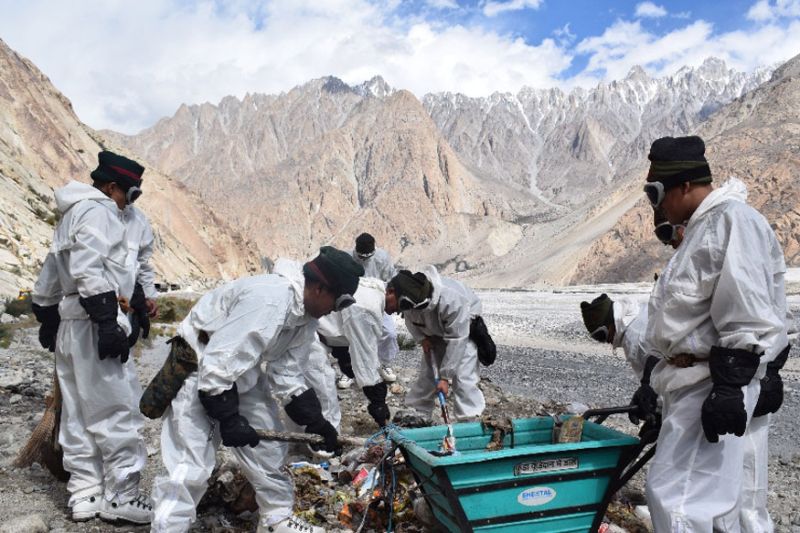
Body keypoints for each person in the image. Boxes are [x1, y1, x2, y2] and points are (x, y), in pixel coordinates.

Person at [150, 247, 363, 533]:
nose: (334, 312)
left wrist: (317, 423)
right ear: (319, 288)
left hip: (239, 369)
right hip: (201, 366)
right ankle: (167, 527)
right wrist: (228, 418)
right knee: (193, 463)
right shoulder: (270, 300)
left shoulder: (305, 318)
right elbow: (218, 364)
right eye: (336, 303)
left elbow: (287, 374)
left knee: (268, 447)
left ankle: (276, 519)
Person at [641, 136, 788, 531]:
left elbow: (750, 313)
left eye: (658, 193)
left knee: (678, 499)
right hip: (690, 383)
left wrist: (729, 390)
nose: (658, 206)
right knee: (712, 502)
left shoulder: (732, 222)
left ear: (685, 184)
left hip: (710, 384)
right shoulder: (703, 229)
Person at [31, 150, 152, 524]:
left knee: (78, 415)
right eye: (130, 194)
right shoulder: (99, 211)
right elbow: (89, 270)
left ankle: (85, 493)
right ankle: (122, 496)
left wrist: (48, 319)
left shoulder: (70, 215)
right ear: (113, 186)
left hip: (71, 325)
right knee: (116, 409)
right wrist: (106, 322)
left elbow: (49, 276)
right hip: (93, 322)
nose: (130, 204)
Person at [385, 266, 485, 422]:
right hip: (432, 331)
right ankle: (417, 414)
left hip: (463, 330)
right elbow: (410, 320)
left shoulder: (452, 300)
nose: (389, 311)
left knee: (464, 377)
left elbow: (456, 339)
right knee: (428, 375)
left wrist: (445, 377)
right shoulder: (407, 297)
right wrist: (421, 339)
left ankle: (469, 420)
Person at [313, 276, 392, 428]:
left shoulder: (373, 293)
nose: (396, 312)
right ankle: (324, 441)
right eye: (400, 305)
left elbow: (340, 324)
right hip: (311, 334)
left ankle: (309, 438)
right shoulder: (367, 308)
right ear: (391, 291)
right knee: (323, 388)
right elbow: (365, 357)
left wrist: (343, 355)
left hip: (320, 332)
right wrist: (377, 400)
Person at [349, 232, 398, 385]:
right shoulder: (348, 258)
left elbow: (391, 280)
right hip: (355, 304)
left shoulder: (382, 258)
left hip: (378, 302)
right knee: (349, 336)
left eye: (366, 257)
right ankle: (348, 370)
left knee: (389, 333)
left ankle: (385, 363)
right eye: (360, 257)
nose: (363, 260)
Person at [122, 187, 159, 346]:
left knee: (121, 366)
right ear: (111, 187)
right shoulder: (89, 213)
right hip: (87, 313)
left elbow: (142, 263)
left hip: (125, 312)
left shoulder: (138, 220)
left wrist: (147, 296)